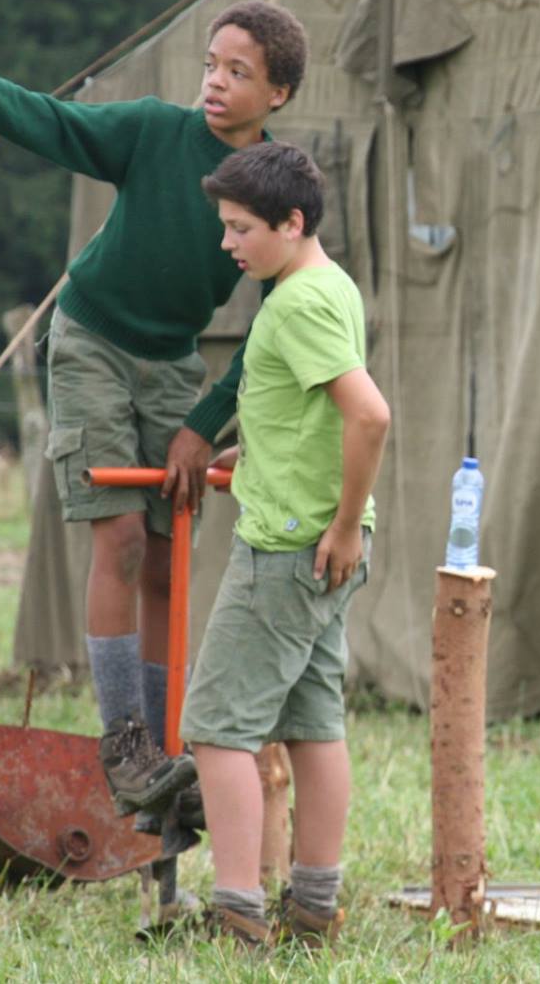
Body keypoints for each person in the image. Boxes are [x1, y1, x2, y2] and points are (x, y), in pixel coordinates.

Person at [0, 3, 306, 813]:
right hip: (93, 339)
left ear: (278, 93)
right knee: (124, 536)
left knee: (169, 555)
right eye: (211, 63)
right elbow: (46, 120)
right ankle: (125, 744)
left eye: (238, 72)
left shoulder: (275, 188)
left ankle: (168, 749)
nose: (215, 81)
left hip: (175, 364)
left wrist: (202, 423)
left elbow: (281, 326)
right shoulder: (155, 132)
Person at [182, 141, 388, 949]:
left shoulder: (296, 304)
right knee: (312, 723)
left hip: (289, 550)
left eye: (241, 228)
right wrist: (255, 454)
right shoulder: (331, 284)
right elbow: (313, 412)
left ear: (291, 222)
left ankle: (238, 914)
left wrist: (340, 522)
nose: (227, 242)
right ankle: (313, 908)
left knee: (217, 729)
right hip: (322, 546)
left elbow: (368, 414)